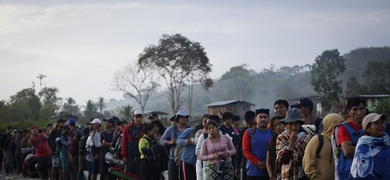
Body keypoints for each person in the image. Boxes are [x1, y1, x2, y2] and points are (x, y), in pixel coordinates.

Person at [302, 113, 344, 180]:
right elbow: (307, 162)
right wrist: (315, 177)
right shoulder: (317, 139)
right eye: (339, 123)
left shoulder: (342, 141)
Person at [333, 97, 365, 180]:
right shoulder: (344, 128)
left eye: (361, 109)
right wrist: (369, 148)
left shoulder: (368, 127)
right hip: (348, 173)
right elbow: (347, 151)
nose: (359, 112)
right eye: (355, 109)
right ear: (349, 112)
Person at [275, 108, 313, 180]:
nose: (293, 127)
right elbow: (283, 159)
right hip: (286, 175)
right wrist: (292, 143)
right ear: (286, 125)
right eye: (290, 124)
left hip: (303, 176)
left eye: (296, 124)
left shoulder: (307, 137)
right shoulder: (281, 138)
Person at [350, 113, 390, 179]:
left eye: (382, 123)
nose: (381, 125)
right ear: (367, 128)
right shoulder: (363, 147)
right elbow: (361, 173)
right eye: (377, 123)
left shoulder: (387, 142)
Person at [243, 108, 273, 180]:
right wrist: (258, 163)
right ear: (255, 119)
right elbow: (246, 151)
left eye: (265, 117)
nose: (263, 119)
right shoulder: (249, 132)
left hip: (270, 172)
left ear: (269, 119)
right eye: (260, 117)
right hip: (253, 172)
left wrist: (267, 164)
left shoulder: (273, 133)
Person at [160, 110, 189, 180]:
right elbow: (162, 140)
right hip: (173, 158)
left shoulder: (189, 130)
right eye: (181, 118)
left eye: (185, 118)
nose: (184, 119)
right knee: (172, 177)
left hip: (186, 159)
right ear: (177, 119)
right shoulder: (171, 129)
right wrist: (170, 142)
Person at [121, 110, 145, 177]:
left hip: (140, 156)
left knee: (140, 175)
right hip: (130, 156)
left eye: (140, 117)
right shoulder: (127, 128)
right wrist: (124, 156)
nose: (138, 119)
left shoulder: (144, 128)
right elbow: (124, 142)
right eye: (137, 117)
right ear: (133, 117)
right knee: (129, 175)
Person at [235, 111, 256, 180]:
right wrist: (237, 166)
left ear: (255, 119)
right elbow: (239, 150)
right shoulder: (244, 131)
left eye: (251, 124)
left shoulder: (262, 130)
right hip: (245, 162)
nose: (250, 126)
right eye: (248, 124)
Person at [266, 116, 284, 180]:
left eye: (280, 124)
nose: (278, 127)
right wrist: (271, 175)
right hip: (275, 173)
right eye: (275, 125)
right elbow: (268, 159)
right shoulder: (272, 141)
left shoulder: (289, 138)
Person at [194, 114, 209, 180]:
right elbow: (197, 145)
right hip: (201, 162)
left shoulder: (218, 133)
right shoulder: (200, 133)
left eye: (207, 121)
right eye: (204, 122)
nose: (206, 123)